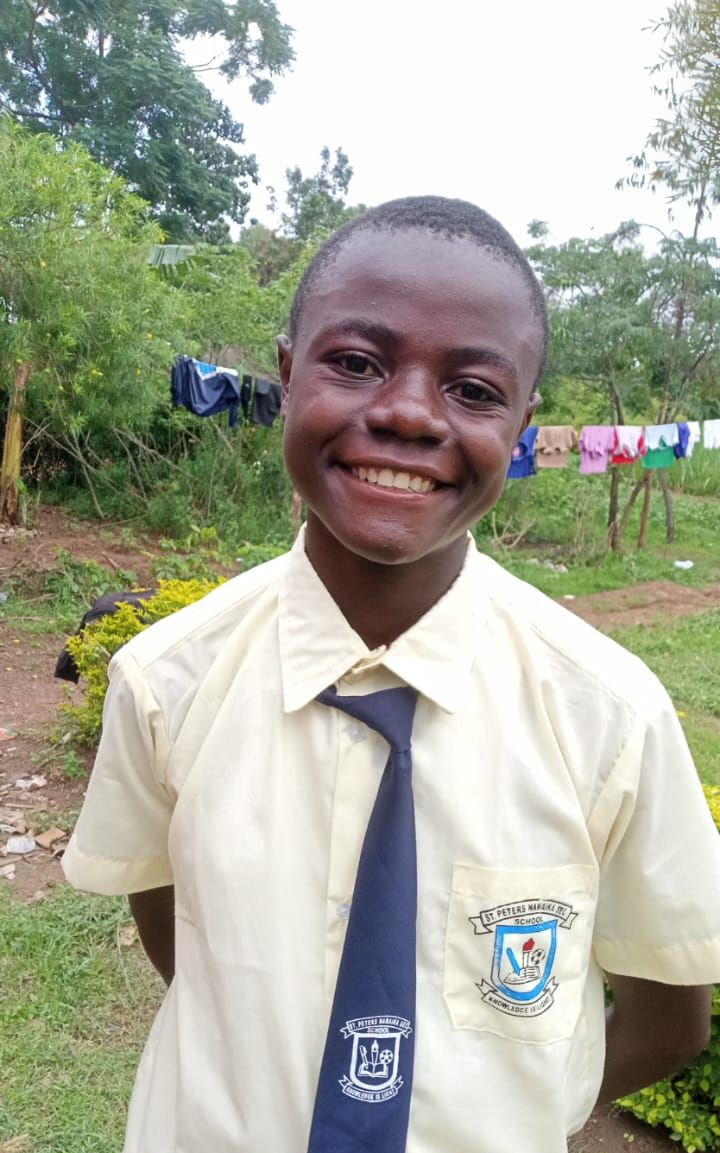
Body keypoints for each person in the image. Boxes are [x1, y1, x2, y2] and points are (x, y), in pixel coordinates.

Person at [62, 196, 720, 1153]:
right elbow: (184, 941)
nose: (409, 411)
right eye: (357, 363)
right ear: (287, 376)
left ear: (525, 425)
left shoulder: (611, 719)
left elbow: (670, 1017)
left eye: (476, 390)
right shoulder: (167, 682)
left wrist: (522, 1104)